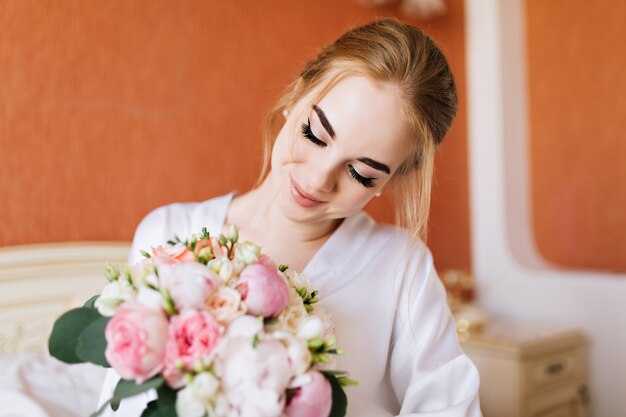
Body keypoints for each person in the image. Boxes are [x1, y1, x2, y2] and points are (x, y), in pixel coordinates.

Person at [98, 18, 481, 416]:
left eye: (361, 174)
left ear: (392, 178)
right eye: (315, 134)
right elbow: (120, 403)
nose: (318, 179)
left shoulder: (401, 268)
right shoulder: (168, 233)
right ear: (295, 95)